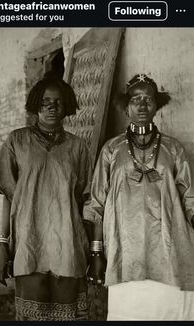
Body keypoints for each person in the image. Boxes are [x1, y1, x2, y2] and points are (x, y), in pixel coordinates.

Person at [84, 73, 194, 320]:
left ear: (157, 105)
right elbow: (96, 204)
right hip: (125, 250)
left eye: (149, 99)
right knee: (131, 310)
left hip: (169, 245)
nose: (142, 105)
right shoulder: (112, 149)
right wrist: (96, 253)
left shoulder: (173, 148)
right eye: (136, 100)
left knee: (170, 309)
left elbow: (191, 198)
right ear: (126, 106)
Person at [0, 72, 91, 321]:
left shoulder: (78, 147)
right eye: (45, 102)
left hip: (68, 245)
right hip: (29, 243)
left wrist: (94, 251)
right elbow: (9, 196)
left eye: (58, 102)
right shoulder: (17, 141)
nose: (52, 108)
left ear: (67, 105)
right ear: (35, 104)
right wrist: (3, 245)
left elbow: (86, 202)